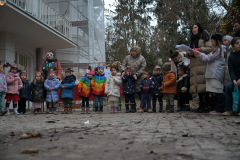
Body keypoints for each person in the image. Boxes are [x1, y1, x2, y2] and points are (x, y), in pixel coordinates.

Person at [194, 34, 226, 114]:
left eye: (212, 41)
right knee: (214, 90)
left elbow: (208, 58)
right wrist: (199, 55)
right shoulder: (216, 49)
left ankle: (219, 109)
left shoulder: (219, 49)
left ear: (217, 41)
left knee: (218, 91)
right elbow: (207, 59)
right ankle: (216, 107)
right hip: (212, 72)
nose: (211, 43)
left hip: (216, 72)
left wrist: (199, 54)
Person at [187, 23, 212, 113]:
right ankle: (201, 105)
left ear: (199, 28)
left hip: (202, 63)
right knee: (197, 86)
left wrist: (198, 50)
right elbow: (190, 51)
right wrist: (188, 53)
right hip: (194, 64)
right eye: (192, 27)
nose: (194, 29)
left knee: (204, 84)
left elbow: (210, 48)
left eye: (195, 27)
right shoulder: (191, 39)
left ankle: (207, 105)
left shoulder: (204, 36)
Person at [222, 37, 240, 116]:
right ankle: (229, 109)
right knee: (228, 86)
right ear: (233, 46)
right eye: (237, 43)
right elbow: (231, 70)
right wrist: (234, 80)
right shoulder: (231, 57)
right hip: (235, 79)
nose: (239, 44)